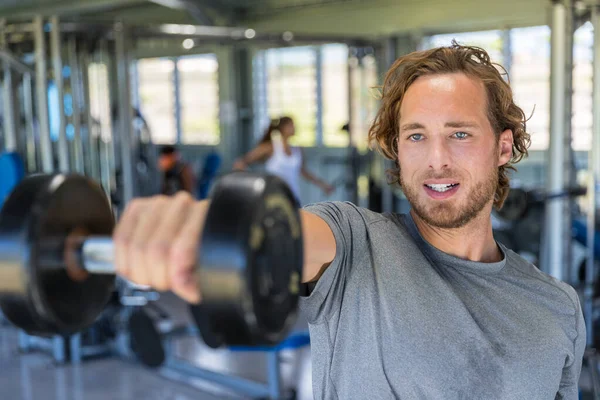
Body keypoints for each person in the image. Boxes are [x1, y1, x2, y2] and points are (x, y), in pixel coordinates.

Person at [113, 43, 585, 399]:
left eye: (459, 134)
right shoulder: (356, 244)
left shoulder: (558, 307)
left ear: (503, 147)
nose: (436, 159)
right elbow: (285, 240)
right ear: (398, 150)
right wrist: (204, 230)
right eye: (416, 136)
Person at [232, 116, 334, 202]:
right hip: (273, 197)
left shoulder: (298, 150)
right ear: (282, 128)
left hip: (293, 197)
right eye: (290, 125)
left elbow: (304, 172)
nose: (294, 127)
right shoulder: (270, 147)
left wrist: (323, 185)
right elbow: (240, 162)